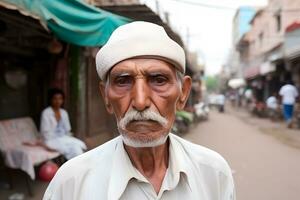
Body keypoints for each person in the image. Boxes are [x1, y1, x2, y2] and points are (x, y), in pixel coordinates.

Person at [43, 21, 235, 200]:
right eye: (123, 81)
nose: (140, 102)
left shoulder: (214, 172)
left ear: (183, 93)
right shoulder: (71, 183)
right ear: (106, 98)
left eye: (159, 80)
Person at [40, 88, 87, 160]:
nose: (58, 101)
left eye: (60, 99)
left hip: (64, 138)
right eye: (55, 99)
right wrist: (60, 139)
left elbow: (67, 130)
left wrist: (66, 138)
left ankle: (79, 165)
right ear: (51, 100)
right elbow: (45, 133)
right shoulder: (46, 113)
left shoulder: (64, 113)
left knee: (79, 145)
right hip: (51, 140)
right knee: (71, 150)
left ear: (63, 100)